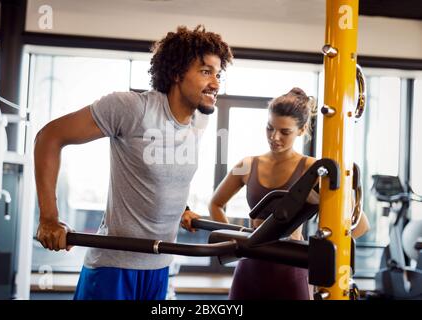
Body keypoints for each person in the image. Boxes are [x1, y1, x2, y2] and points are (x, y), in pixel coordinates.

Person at [34, 25, 233, 300]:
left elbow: (166, 170)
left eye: (218, 73)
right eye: (205, 71)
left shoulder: (200, 118)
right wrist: (49, 219)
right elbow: (49, 137)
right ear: (176, 73)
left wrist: (182, 209)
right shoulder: (132, 108)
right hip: (114, 267)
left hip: (161, 263)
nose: (216, 83)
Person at [209, 87, 370, 300]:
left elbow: (360, 225)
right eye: (269, 128)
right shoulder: (247, 165)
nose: (274, 137)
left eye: (285, 132)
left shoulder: (315, 170)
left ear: (302, 130)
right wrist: (235, 240)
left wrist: (317, 250)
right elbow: (215, 204)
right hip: (250, 268)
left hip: (291, 270)